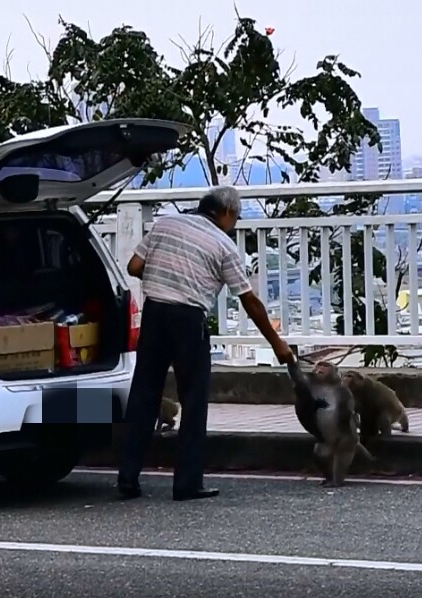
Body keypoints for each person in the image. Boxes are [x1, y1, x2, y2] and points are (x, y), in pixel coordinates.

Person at [116, 186, 295, 502]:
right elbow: (249, 301)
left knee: (144, 396)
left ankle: (127, 478)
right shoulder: (224, 246)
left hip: (155, 314)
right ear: (226, 212)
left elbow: (134, 267)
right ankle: (187, 483)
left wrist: (164, 274)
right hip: (188, 320)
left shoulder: (165, 224)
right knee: (194, 402)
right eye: (236, 218)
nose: (234, 224)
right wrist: (277, 343)